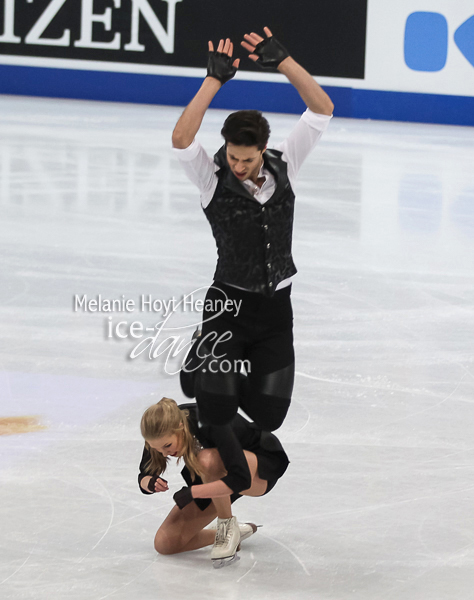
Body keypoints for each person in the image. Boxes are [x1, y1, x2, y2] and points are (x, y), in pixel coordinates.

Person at [172, 26, 333, 559]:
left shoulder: (285, 162)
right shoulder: (211, 177)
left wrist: (284, 61)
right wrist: (212, 82)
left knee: (268, 417)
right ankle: (224, 501)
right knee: (215, 403)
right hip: (226, 306)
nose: (238, 167)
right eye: (232, 157)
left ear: (263, 149)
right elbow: (180, 139)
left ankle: (208, 402)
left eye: (247, 159)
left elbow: (321, 109)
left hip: (273, 310)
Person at [138, 397, 289, 567]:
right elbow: (144, 474)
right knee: (165, 543)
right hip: (213, 477)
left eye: (167, 446)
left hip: (257, 469)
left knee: (207, 460)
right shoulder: (158, 432)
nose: (164, 454)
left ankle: (227, 528)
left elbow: (241, 479)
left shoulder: (212, 420)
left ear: (180, 426)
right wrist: (149, 482)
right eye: (156, 449)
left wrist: (193, 492)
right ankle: (234, 533)